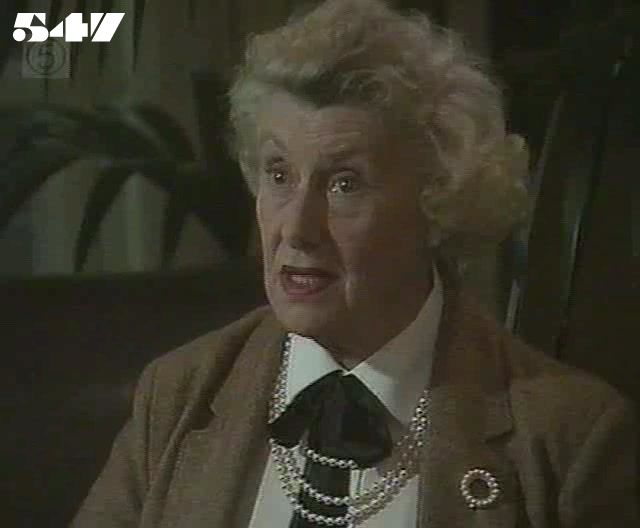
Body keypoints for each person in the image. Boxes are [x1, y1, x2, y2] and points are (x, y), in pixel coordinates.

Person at [71, 0, 638, 526]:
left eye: (345, 184)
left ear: (438, 203)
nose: (296, 228)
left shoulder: (568, 436)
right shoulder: (178, 395)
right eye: (279, 175)